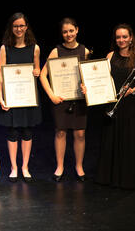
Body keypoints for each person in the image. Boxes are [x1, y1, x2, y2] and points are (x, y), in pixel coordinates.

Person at [94, 24, 135, 189]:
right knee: (111, 139)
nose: (121, 40)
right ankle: (109, 177)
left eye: (124, 37)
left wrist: (132, 90)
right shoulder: (110, 55)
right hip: (113, 103)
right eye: (118, 37)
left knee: (128, 140)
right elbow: (101, 77)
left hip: (131, 106)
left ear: (131, 38)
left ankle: (127, 179)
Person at [39, 17, 90, 181]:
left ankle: (79, 167)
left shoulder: (85, 51)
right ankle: (59, 166)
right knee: (60, 132)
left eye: (71, 30)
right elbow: (42, 75)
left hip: (79, 99)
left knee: (80, 134)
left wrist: (86, 88)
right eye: (65, 32)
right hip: (61, 99)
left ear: (77, 30)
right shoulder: (56, 51)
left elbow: (89, 77)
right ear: (62, 34)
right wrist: (51, 95)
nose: (68, 34)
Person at [0, 13, 41, 183]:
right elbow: (1, 74)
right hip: (12, 97)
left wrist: (37, 72)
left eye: (22, 26)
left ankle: (25, 167)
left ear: (26, 27)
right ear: (11, 28)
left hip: (28, 97)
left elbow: (37, 70)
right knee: (13, 132)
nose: (19, 29)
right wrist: (1, 97)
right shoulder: (4, 48)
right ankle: (14, 167)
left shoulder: (34, 48)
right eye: (16, 26)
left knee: (27, 131)